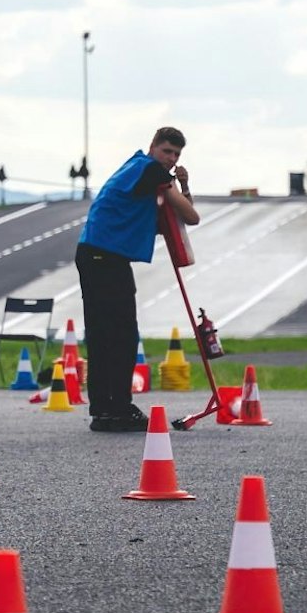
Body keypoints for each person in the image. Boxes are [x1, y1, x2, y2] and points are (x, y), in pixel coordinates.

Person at [75, 126, 199, 432]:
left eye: (176, 155)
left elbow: (172, 217)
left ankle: (105, 409)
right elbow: (191, 216)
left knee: (105, 336)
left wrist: (182, 184)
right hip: (105, 257)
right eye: (167, 151)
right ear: (153, 147)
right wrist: (180, 183)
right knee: (121, 335)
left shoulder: (137, 170)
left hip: (100, 254)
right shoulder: (150, 171)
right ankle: (116, 408)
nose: (170, 159)